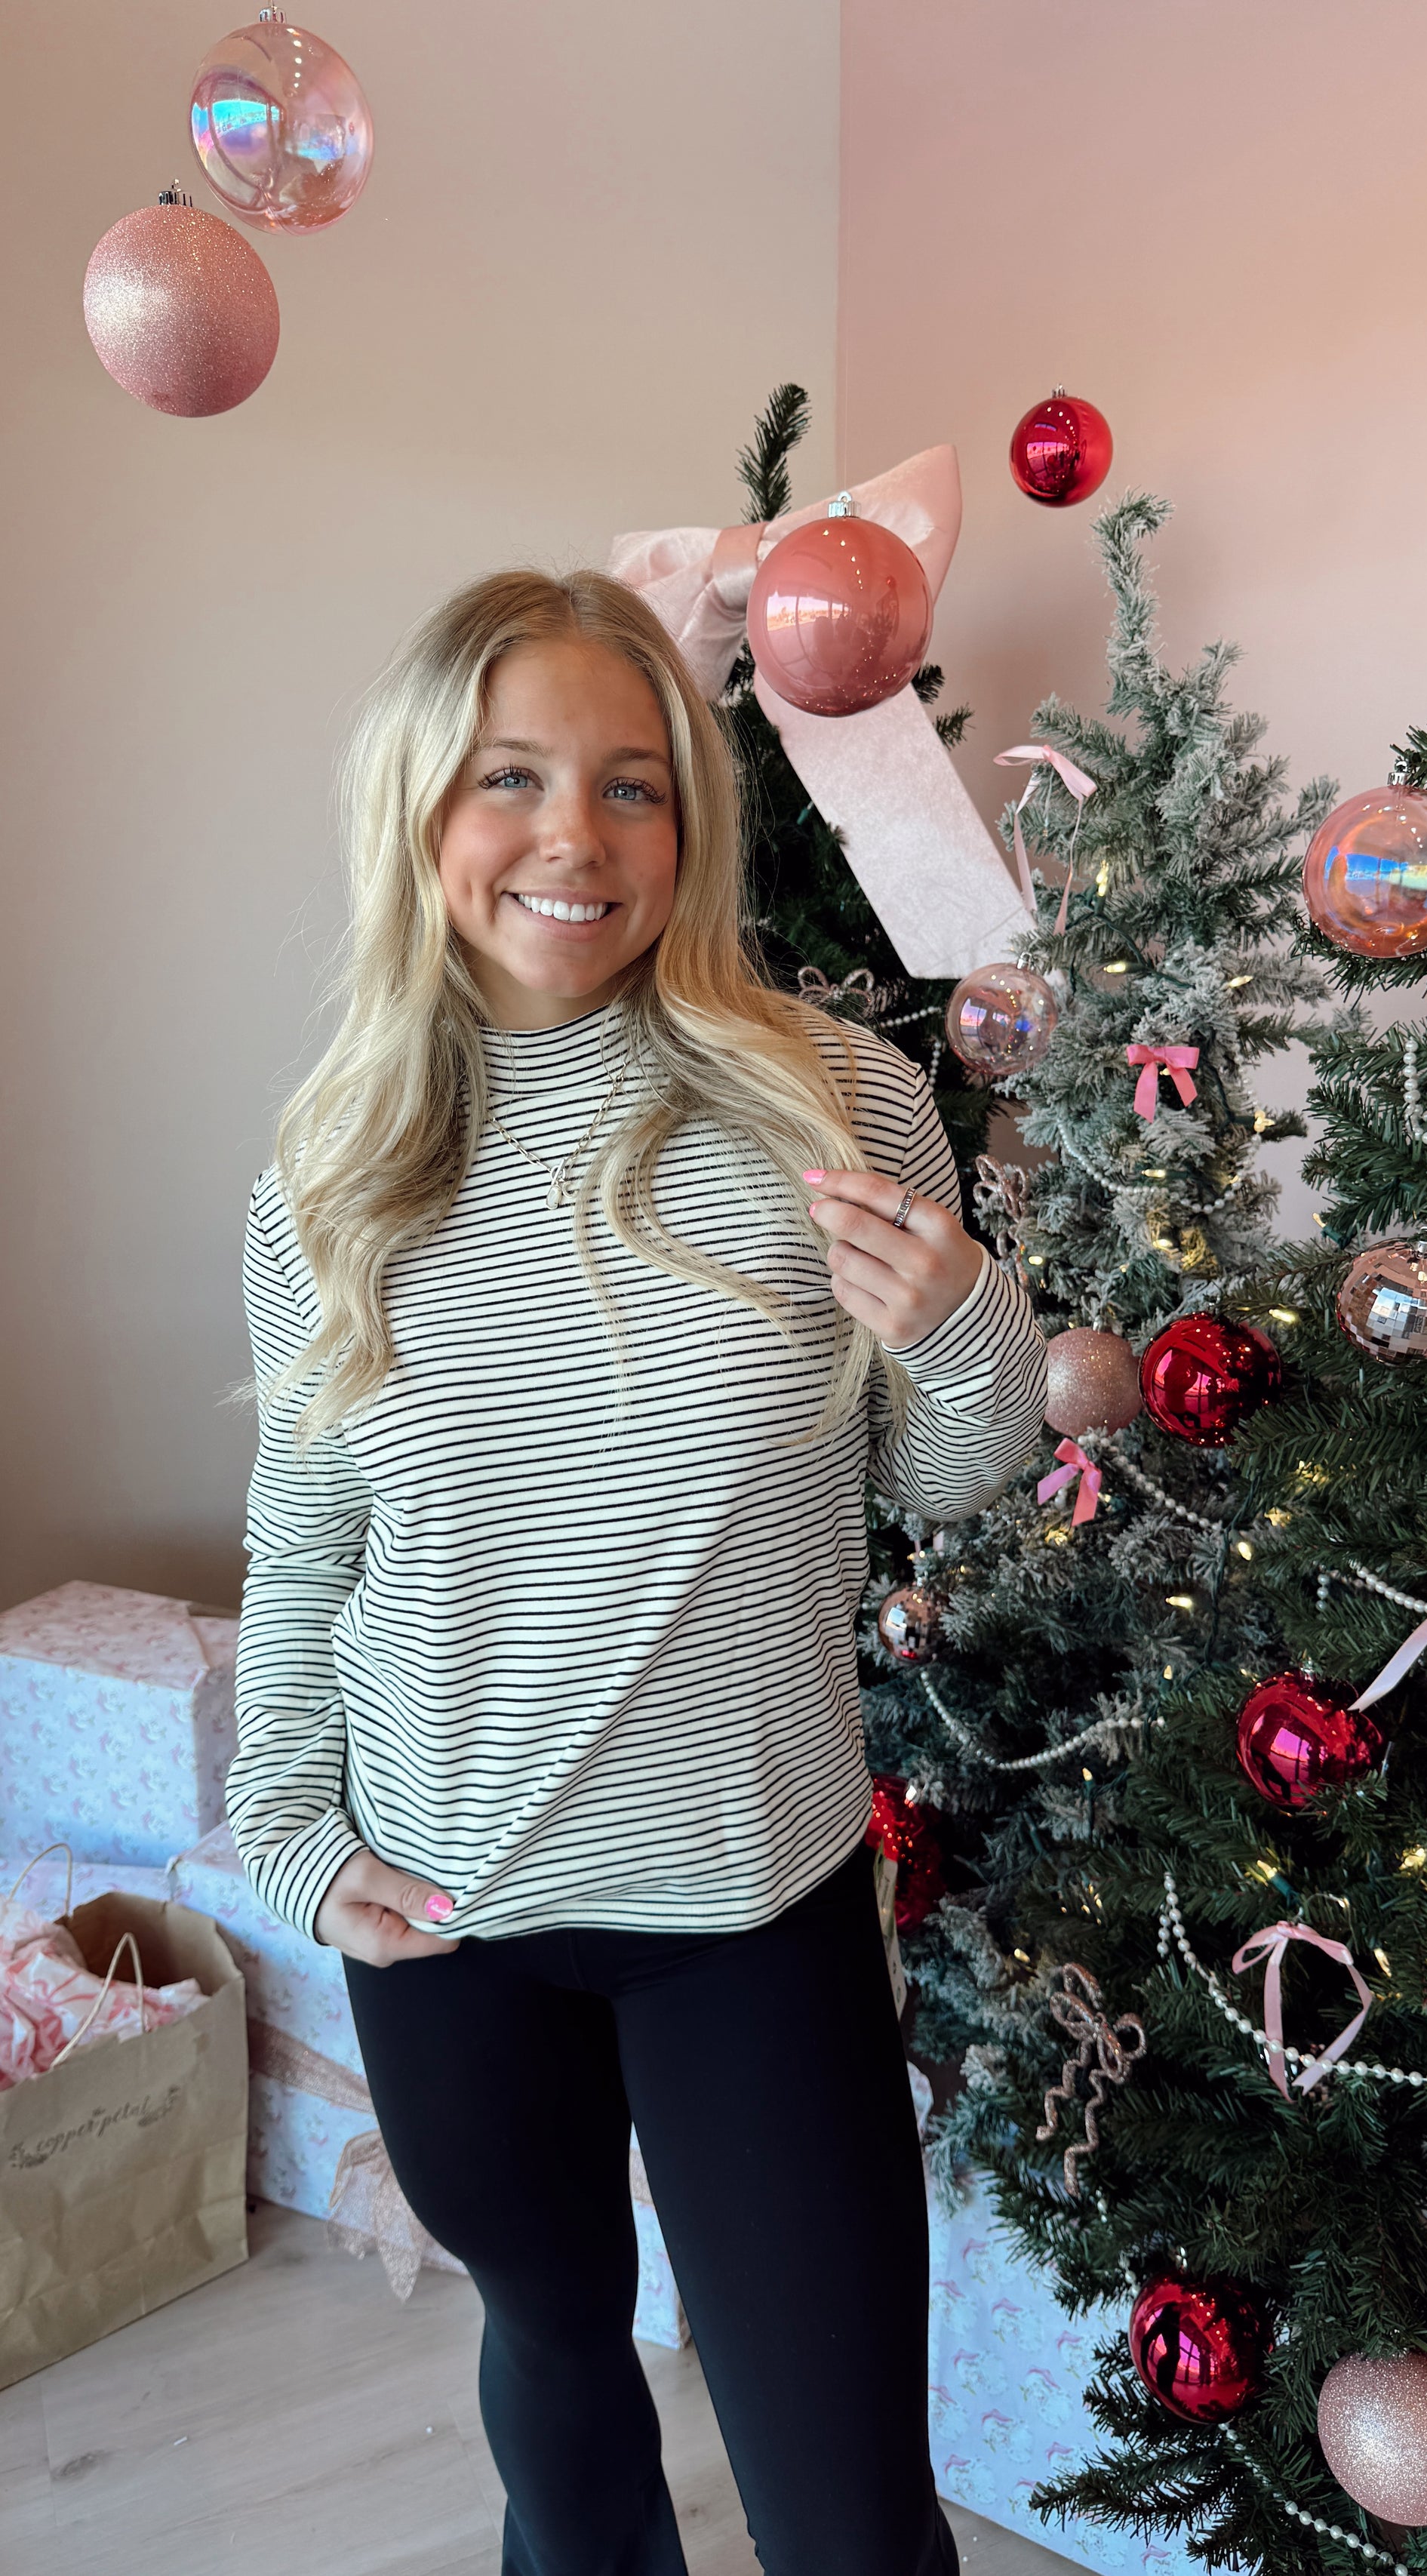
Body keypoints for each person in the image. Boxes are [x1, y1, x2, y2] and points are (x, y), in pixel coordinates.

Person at [228, 566, 1046, 2576]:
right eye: (510, 777)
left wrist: (964, 1329)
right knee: (558, 2366)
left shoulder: (835, 1103)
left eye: (632, 784)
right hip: (451, 1913)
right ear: (423, 808)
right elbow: (309, 1539)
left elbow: (947, 1483)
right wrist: (290, 1832)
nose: (574, 839)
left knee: (851, 2521)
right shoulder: (334, 1165)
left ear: (691, 821)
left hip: (748, 1906)